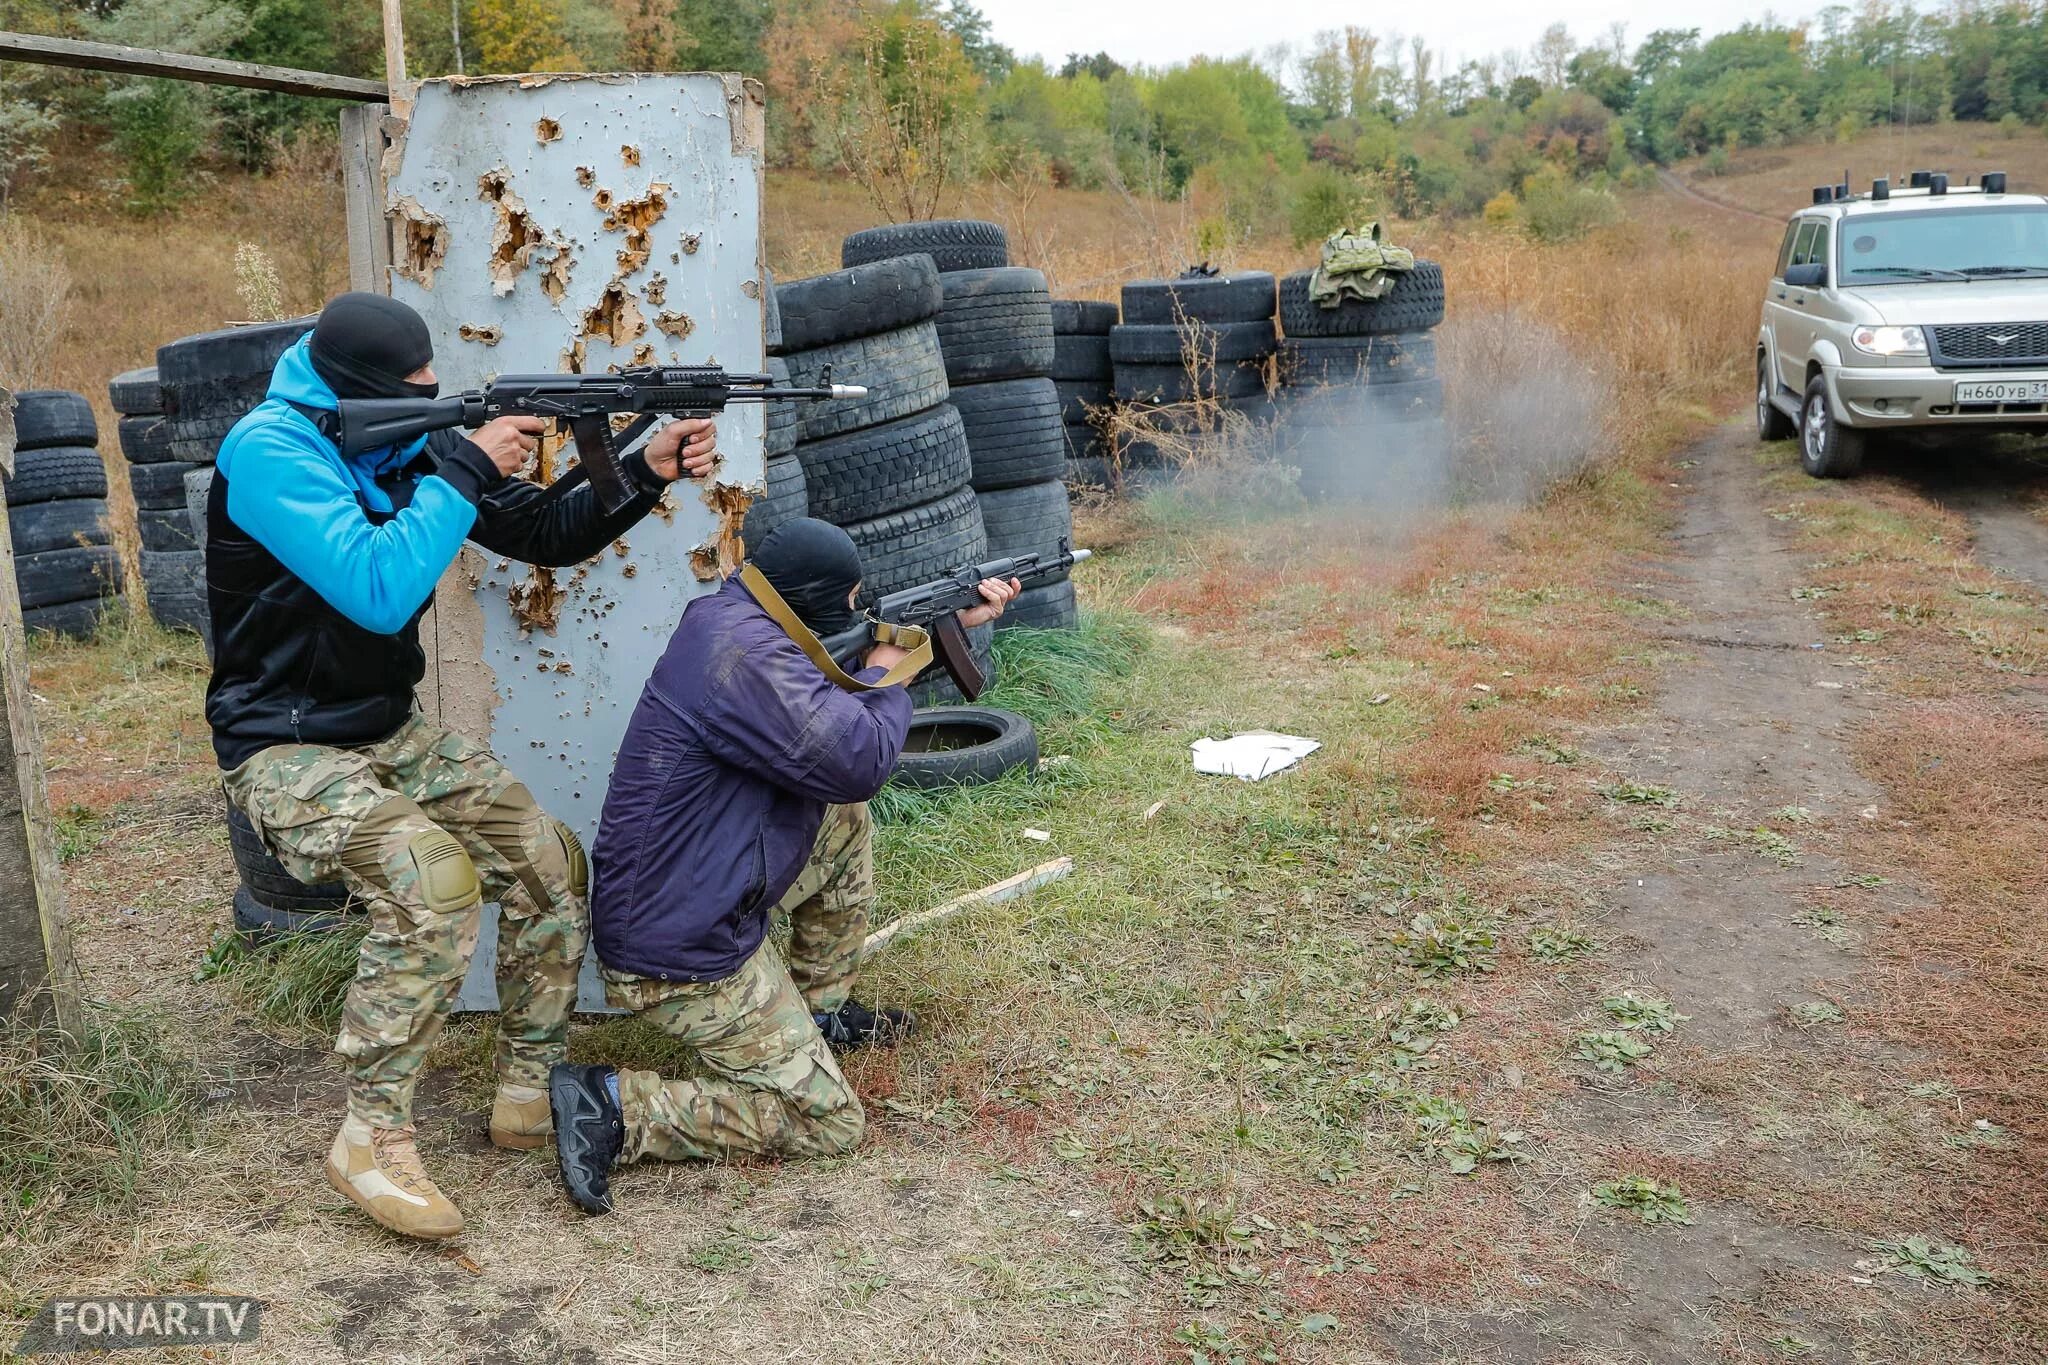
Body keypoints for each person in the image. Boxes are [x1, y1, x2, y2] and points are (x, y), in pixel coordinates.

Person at [206, 292, 718, 1240]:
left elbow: (546, 535)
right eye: (413, 392)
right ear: (360, 386)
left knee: (546, 859)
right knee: (432, 882)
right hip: (281, 745)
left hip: (386, 732)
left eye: (433, 389)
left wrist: (641, 470)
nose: (428, 400)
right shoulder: (268, 453)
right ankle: (372, 1135)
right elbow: (377, 586)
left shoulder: (401, 444)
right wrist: (466, 466)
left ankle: (527, 1083)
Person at [548, 518, 1019, 1213]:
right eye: (851, 604)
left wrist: (942, 625)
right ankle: (615, 1105)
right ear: (812, 601)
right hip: (677, 947)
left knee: (841, 819)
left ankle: (819, 1010)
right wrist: (892, 669)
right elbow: (857, 756)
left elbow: (831, 695)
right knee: (828, 1118)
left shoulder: (738, 616)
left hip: (699, 883)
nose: (858, 616)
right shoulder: (745, 658)